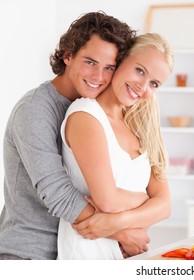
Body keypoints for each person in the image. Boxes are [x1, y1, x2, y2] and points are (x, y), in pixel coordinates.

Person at [0, 11, 148, 260]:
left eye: (109, 67)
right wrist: (121, 232)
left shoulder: (94, 111)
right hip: (31, 254)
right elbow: (58, 194)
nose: (98, 77)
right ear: (68, 55)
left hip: (80, 249)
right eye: (90, 62)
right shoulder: (34, 109)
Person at [57, 32, 173, 259]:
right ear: (121, 61)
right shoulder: (86, 115)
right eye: (140, 70)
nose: (143, 86)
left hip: (125, 258)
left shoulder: (140, 127)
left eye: (154, 84)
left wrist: (117, 222)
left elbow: (165, 206)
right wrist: (146, 201)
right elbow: (108, 201)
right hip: (85, 258)